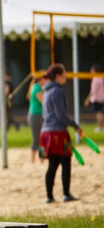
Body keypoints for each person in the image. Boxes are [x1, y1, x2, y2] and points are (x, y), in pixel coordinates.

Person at [39, 64, 83, 203]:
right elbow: (61, 114)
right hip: (57, 132)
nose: (66, 77)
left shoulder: (46, 90)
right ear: (58, 76)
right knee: (66, 162)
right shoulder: (57, 90)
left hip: (46, 131)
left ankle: (49, 196)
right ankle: (66, 194)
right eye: (64, 74)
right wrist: (75, 126)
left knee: (52, 164)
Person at [26, 75, 46, 163]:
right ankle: (34, 160)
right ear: (42, 79)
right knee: (37, 139)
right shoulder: (37, 88)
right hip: (36, 116)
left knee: (41, 138)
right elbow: (44, 101)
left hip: (37, 115)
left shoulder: (36, 87)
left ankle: (40, 158)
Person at [83, 64, 104, 133]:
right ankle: (102, 126)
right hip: (102, 97)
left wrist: (88, 99)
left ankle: (101, 127)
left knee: (98, 112)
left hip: (97, 98)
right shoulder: (101, 78)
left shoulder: (95, 79)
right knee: (100, 112)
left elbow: (93, 91)